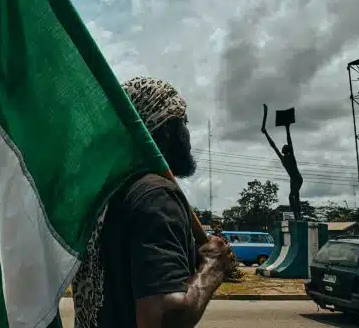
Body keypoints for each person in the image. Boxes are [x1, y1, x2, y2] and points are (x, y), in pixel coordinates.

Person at [72, 77, 233, 328]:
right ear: (167, 129)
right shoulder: (156, 196)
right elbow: (161, 317)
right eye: (184, 122)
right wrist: (213, 267)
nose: (188, 135)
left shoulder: (104, 195)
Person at [261, 105, 304, 220]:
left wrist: (287, 128)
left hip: (297, 178)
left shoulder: (291, 156)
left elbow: (289, 140)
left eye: (284, 146)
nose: (282, 147)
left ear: (287, 149)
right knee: (296, 197)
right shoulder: (282, 158)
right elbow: (273, 145)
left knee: (292, 197)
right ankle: (298, 216)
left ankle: (297, 216)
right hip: (292, 179)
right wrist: (266, 133)